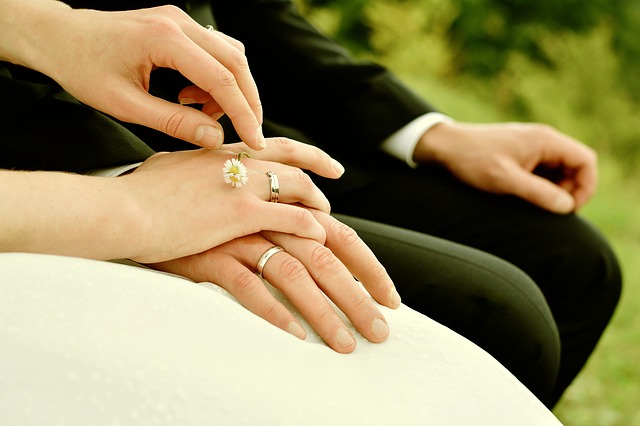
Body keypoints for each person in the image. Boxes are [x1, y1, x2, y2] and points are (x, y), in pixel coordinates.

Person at [0, 0, 615, 408]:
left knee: (572, 260)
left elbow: (244, 11)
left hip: (239, 123)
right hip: (50, 144)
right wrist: (123, 190)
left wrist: (425, 131)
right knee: (505, 314)